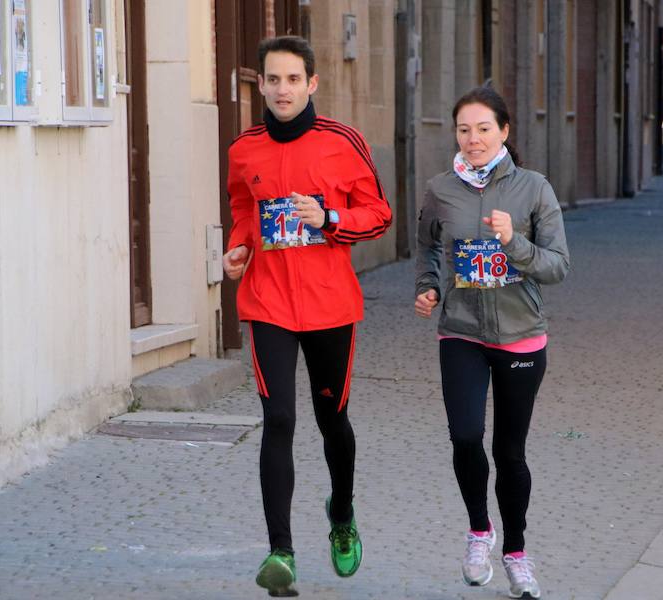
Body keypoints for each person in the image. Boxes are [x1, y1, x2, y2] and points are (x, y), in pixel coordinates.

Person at [222, 36, 391, 597]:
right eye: (272, 79)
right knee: (278, 421)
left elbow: (379, 214)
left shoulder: (342, 142)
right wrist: (240, 246)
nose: (282, 89)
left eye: (293, 79)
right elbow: (243, 207)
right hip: (268, 302)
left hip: (328, 304)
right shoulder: (245, 148)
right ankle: (281, 554)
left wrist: (329, 215)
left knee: (331, 423)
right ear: (261, 85)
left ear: (311, 83)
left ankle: (341, 512)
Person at [414, 87, 569, 599]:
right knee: (464, 436)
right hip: (460, 332)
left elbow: (558, 266)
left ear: (504, 131)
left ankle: (517, 553)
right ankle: (480, 531)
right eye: (464, 129)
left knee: (510, 452)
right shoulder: (440, 189)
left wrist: (514, 243)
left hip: (521, 338)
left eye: (483, 128)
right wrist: (428, 287)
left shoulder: (534, 189)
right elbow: (428, 246)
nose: (473, 138)